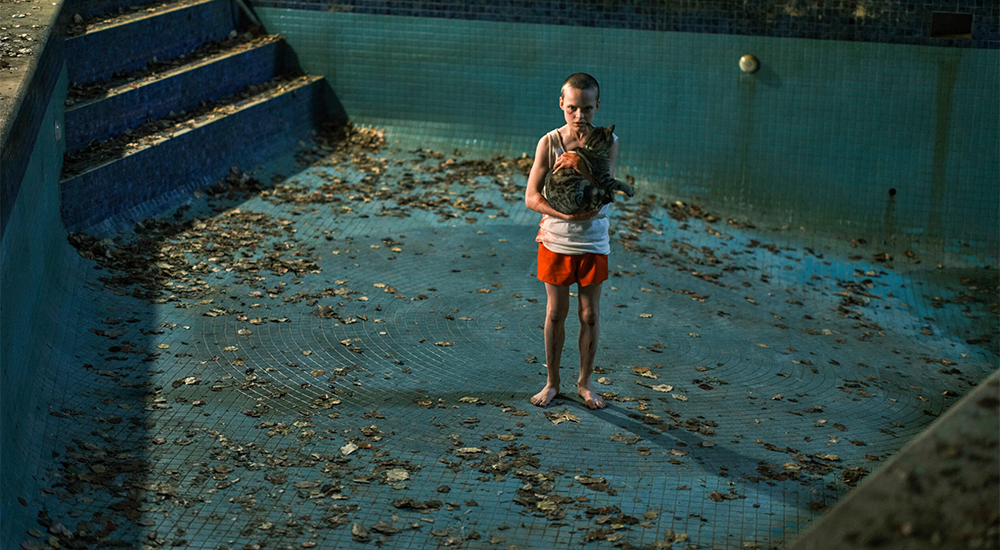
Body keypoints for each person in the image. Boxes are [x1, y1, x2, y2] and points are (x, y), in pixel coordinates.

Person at [523, 73, 618, 410]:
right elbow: (531, 198)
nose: (580, 117)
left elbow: (608, 192)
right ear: (562, 104)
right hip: (555, 239)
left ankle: (585, 383)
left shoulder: (609, 141)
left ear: (597, 107)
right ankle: (552, 383)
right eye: (573, 108)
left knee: (590, 314)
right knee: (555, 313)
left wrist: (582, 165)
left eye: (587, 109)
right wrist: (563, 216)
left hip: (593, 241)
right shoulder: (549, 142)